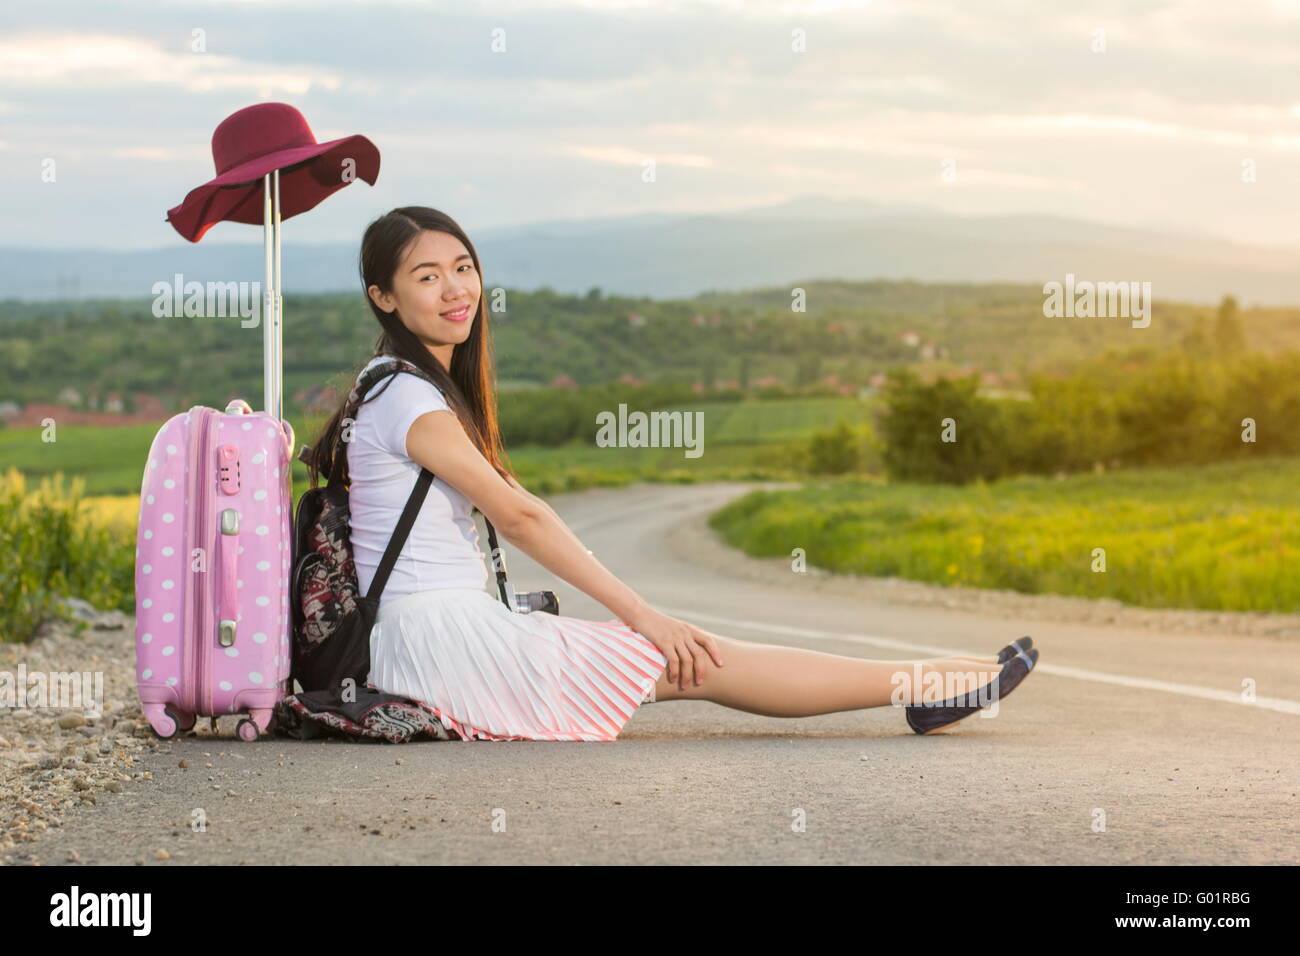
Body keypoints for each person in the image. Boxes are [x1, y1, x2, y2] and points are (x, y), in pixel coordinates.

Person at [302, 206, 1039, 742]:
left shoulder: (402, 386)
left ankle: (935, 681)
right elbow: (519, 517)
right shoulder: (405, 393)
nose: (455, 288)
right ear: (385, 297)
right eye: (427, 276)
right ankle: (931, 681)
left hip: (434, 638)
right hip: (441, 646)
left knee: (696, 659)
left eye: (463, 267)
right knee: (696, 659)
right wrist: (643, 613)